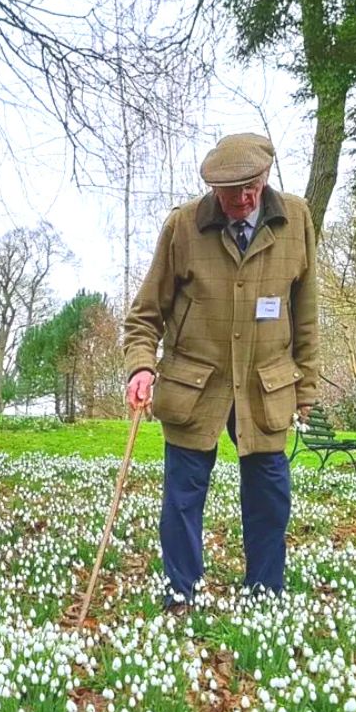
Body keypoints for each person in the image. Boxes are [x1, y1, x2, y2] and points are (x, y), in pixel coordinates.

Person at [123, 132, 319, 609]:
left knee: (270, 496)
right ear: (213, 189)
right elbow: (145, 314)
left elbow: (307, 312)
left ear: (265, 177)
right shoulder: (183, 227)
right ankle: (180, 592)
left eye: (252, 186)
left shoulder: (296, 220)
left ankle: (265, 591)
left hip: (266, 385)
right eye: (231, 191)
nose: (243, 197)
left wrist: (306, 387)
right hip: (195, 384)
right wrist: (141, 367)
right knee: (183, 497)